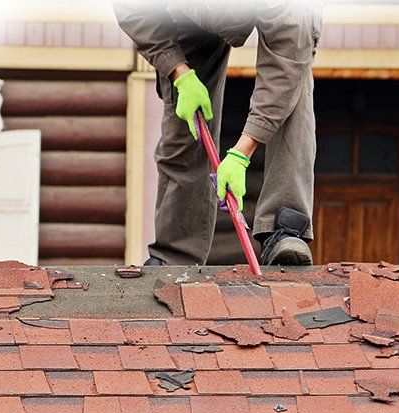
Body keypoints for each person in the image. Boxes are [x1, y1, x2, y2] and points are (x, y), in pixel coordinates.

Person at [113, 0, 322, 266]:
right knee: (184, 115)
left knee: (292, 91)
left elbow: (283, 69)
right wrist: (180, 72)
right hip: (191, 14)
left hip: (288, 20)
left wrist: (241, 154)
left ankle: (285, 228)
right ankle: (176, 254)